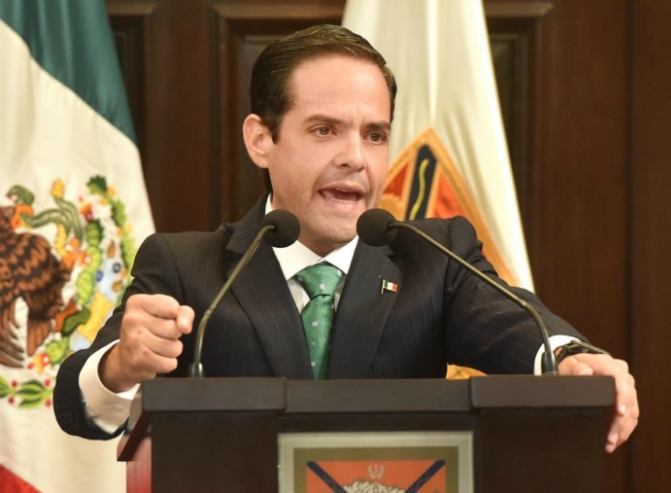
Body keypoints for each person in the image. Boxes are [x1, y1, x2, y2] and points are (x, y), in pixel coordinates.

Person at [53, 24, 638, 453]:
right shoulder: (187, 267)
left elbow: (522, 330)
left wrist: (576, 359)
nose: (356, 158)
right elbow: (76, 405)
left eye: (375, 134)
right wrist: (120, 367)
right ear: (261, 140)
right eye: (324, 129)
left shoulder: (434, 259)